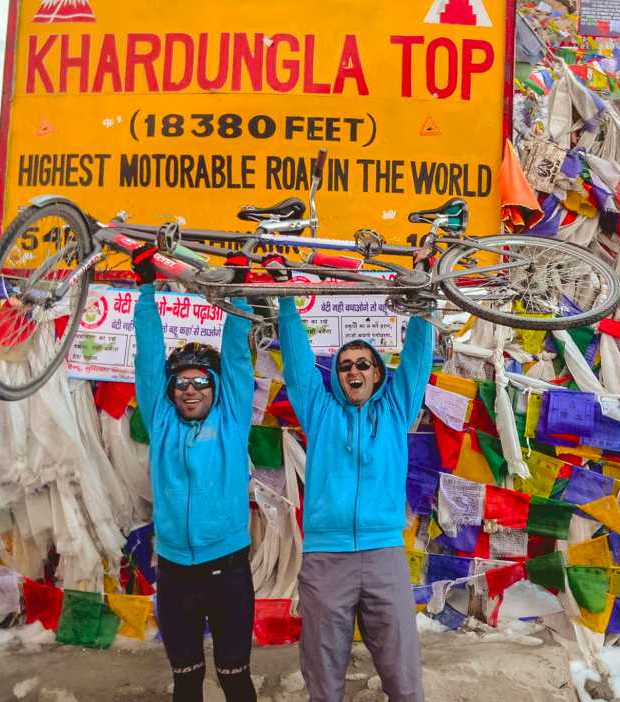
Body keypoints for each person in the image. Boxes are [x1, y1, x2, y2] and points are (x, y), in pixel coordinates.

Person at [270, 256, 435, 702]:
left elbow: (418, 360)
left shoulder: (396, 409)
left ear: (378, 373)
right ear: (338, 378)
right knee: (323, 677)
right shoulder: (320, 414)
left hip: (384, 555)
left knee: (403, 675)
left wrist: (423, 303)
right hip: (327, 559)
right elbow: (300, 365)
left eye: (363, 364)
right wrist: (286, 298)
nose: (354, 371)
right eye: (345, 366)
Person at [132, 244, 257, 702]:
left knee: (234, 676)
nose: (190, 389)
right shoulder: (161, 421)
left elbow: (238, 360)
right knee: (186, 679)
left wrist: (238, 293)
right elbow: (147, 360)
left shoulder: (230, 420)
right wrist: (146, 290)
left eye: (201, 381)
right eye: (181, 381)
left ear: (216, 388)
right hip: (175, 572)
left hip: (228, 568)